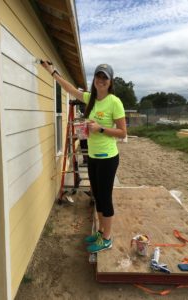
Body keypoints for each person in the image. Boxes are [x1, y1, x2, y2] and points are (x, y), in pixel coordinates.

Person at [41, 62, 126, 253]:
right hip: (93, 157)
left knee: (105, 198)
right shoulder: (90, 98)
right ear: (94, 79)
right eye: (98, 76)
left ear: (110, 81)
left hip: (108, 158)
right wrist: (53, 71)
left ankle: (107, 238)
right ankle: (100, 231)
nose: (101, 80)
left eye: (105, 77)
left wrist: (100, 129)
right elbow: (69, 88)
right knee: (97, 196)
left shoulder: (115, 102)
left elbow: (122, 132)